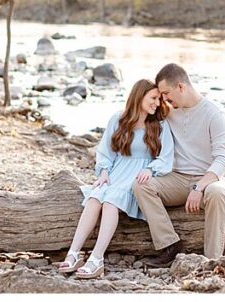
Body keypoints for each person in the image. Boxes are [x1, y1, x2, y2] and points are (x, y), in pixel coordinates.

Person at [58, 79, 175, 279]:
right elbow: (106, 151)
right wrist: (103, 172)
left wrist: (150, 169)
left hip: (138, 177)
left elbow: (166, 158)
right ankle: (74, 253)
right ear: (139, 96)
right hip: (116, 172)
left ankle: (96, 259)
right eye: (153, 98)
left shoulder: (160, 126)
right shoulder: (117, 119)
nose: (157, 103)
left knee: (111, 202)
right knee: (95, 199)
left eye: (159, 99)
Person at [132, 63, 225, 264]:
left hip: (209, 179)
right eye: (161, 96)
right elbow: (139, 114)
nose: (164, 99)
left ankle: (212, 261)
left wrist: (199, 186)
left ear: (181, 87)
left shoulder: (214, 114)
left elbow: (223, 158)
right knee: (141, 185)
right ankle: (169, 245)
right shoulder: (168, 112)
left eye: (166, 93)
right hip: (176, 178)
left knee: (217, 192)